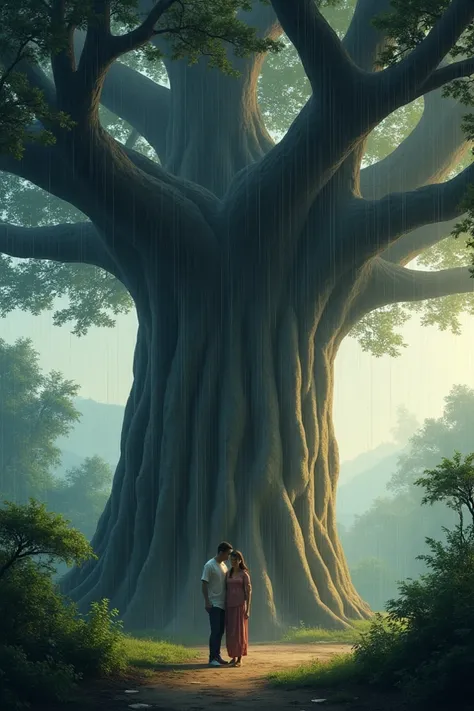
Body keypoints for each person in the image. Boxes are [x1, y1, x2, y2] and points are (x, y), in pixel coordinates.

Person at [201, 541, 233, 667]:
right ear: (221, 552)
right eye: (228, 554)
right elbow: (204, 583)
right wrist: (207, 601)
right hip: (214, 604)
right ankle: (211, 658)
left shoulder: (224, 565)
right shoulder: (209, 565)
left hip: (223, 603)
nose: (229, 556)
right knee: (215, 631)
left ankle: (217, 655)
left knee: (220, 631)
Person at [225, 549, 252, 667]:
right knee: (231, 632)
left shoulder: (244, 574)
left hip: (240, 606)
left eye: (235, 560)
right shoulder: (228, 573)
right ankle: (233, 656)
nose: (233, 562)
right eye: (231, 560)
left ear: (240, 560)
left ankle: (240, 658)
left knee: (239, 633)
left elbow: (249, 592)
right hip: (229, 605)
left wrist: (248, 609)